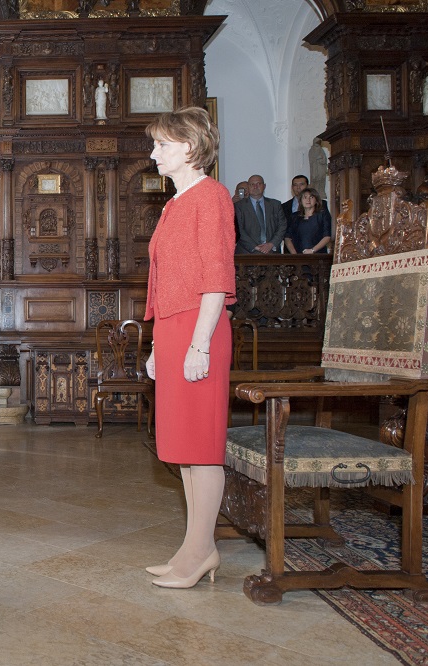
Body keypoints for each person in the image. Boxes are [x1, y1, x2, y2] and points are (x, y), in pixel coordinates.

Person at [143, 106, 236, 588]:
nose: (154, 152)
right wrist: (157, 346)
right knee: (183, 447)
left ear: (190, 146)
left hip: (201, 327)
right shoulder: (174, 204)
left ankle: (201, 551)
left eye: (162, 144)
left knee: (202, 446)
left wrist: (199, 346)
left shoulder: (211, 196)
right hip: (173, 329)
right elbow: (164, 280)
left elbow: (217, 277)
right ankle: (192, 548)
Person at [234, 174, 286, 254]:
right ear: (248, 187)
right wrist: (255, 247)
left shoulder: (275, 204)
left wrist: (271, 244)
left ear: (264, 186)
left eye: (258, 184)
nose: (255, 187)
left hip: (272, 252)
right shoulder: (238, 206)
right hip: (247, 253)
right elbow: (239, 230)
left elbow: (282, 226)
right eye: (252, 184)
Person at [285, 187, 332, 254]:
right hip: (298, 257)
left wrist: (312, 250)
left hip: (319, 256)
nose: (308, 200)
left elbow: (327, 236)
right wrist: (294, 255)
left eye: (311, 197)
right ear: (300, 201)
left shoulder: (323, 215)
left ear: (316, 200)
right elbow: (287, 238)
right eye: (305, 197)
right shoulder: (294, 217)